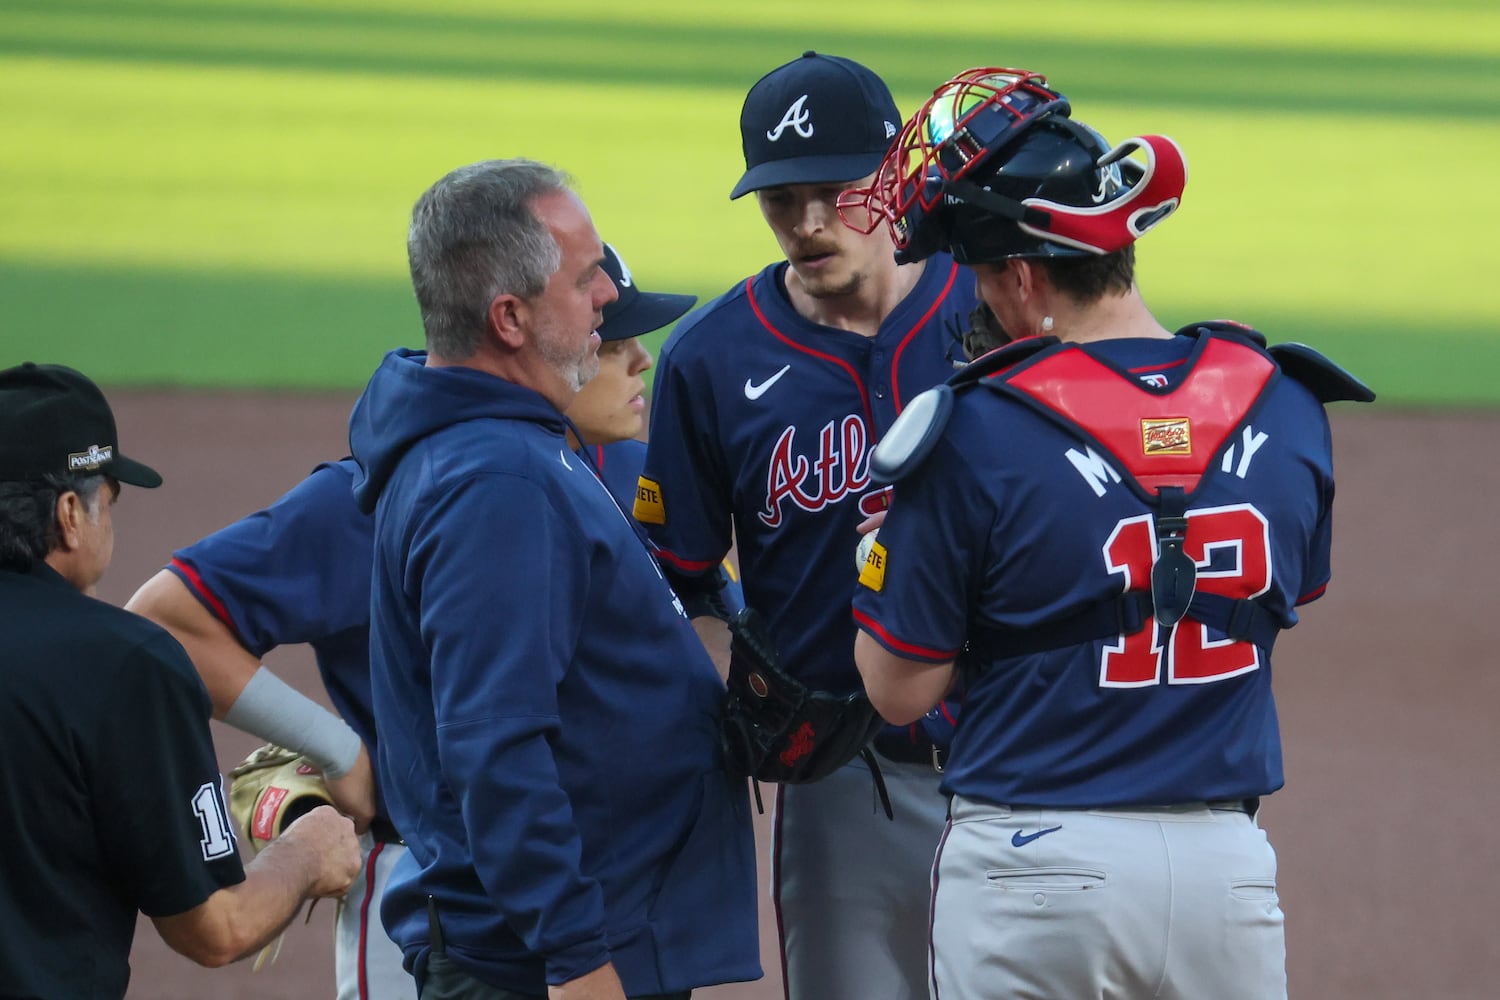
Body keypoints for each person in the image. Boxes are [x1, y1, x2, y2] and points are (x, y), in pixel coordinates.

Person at [848, 68, 1374, 999]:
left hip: (1033, 868)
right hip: (1226, 880)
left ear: (1021, 273)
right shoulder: (1287, 404)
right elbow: (1276, 602)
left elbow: (897, 690)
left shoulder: (969, 431)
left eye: (976, 271)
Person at [123, 241, 724, 1000]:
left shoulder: (623, 478)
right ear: (528, 342)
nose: (641, 359)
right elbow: (166, 619)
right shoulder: (378, 499)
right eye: (612, 337)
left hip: (614, 897)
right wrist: (337, 748)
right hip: (443, 900)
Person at [347, 159, 761, 1000]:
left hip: (575, 938)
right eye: (585, 279)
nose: (610, 294)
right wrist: (578, 959)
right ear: (509, 317)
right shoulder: (496, 482)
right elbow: (495, 747)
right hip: (544, 962)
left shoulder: (507, 448)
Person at [633, 51, 978, 1000]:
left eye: (834, 190)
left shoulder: (994, 304)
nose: (808, 223)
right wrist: (744, 651)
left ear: (896, 176)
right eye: (781, 198)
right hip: (841, 780)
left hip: (1017, 759)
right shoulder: (710, 359)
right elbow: (676, 574)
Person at [0, 362, 362, 999]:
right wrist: (309, 851)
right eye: (108, 501)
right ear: (68, 515)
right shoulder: (123, 664)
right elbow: (215, 928)